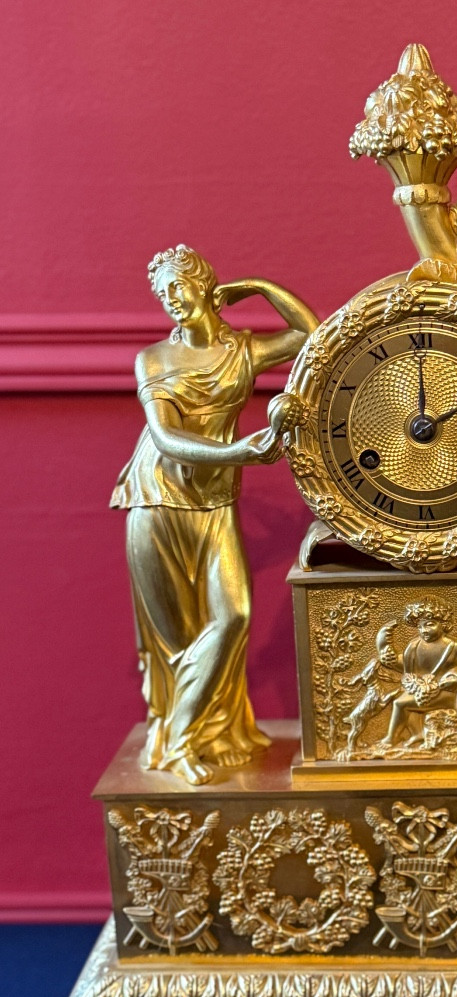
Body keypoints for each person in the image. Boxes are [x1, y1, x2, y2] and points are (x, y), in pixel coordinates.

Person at [111, 244, 318, 785]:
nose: (171, 299)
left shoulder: (241, 350)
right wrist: (238, 452)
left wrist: (259, 287)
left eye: (179, 286)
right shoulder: (154, 359)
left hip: (215, 501)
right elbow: (164, 437)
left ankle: (192, 736)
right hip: (157, 498)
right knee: (180, 640)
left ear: (206, 286)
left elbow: (311, 336)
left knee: (233, 616)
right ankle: (182, 742)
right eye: (163, 293)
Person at [378, 602, 457, 749]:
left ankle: (391, 739)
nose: (423, 630)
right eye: (420, 627)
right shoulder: (413, 646)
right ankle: (417, 734)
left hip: (449, 693)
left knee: (400, 703)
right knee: (401, 697)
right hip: (424, 690)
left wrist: (455, 679)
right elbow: (406, 667)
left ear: (444, 624)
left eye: (429, 625)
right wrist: (389, 659)